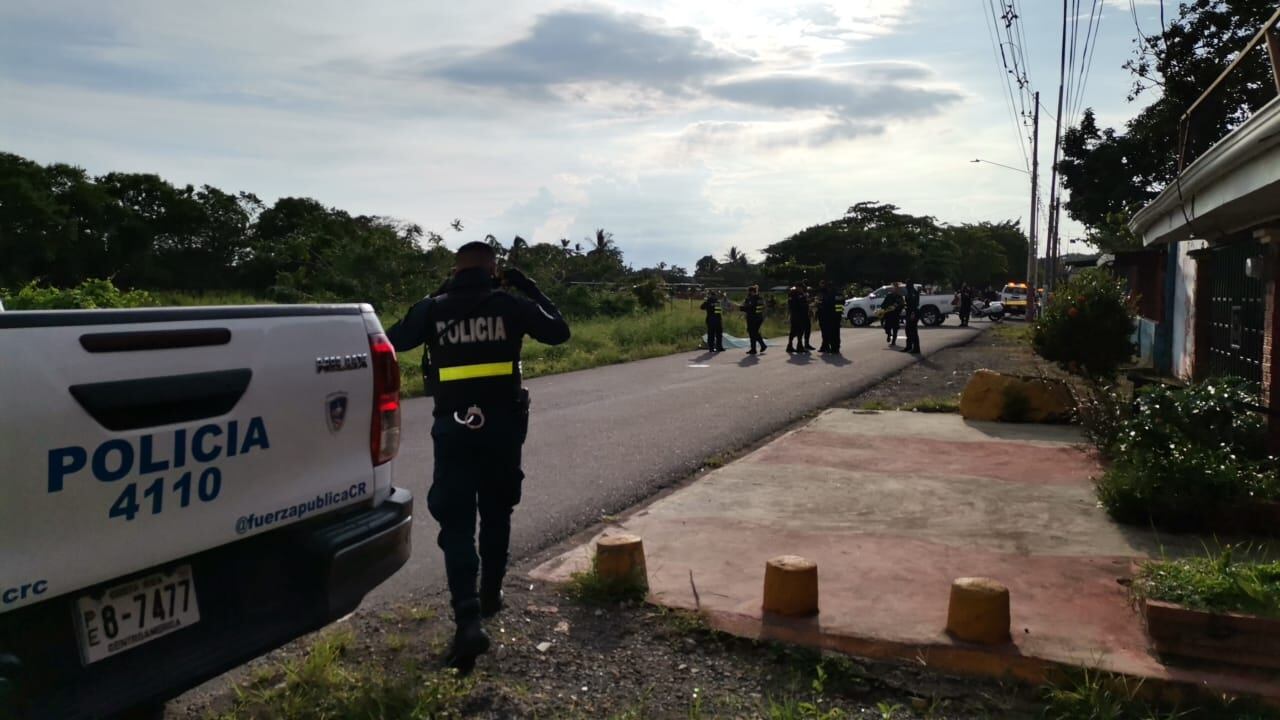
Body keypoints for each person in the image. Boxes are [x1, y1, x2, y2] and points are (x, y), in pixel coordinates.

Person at [386, 241, 570, 673]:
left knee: (455, 521)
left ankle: (468, 622)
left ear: (456, 269)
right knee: (497, 509)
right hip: (503, 429)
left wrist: (435, 295)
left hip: (454, 429)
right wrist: (532, 289)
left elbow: (394, 340)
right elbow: (559, 332)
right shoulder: (510, 304)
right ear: (494, 271)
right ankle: (491, 594)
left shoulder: (434, 307)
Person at [817, 280, 842, 354]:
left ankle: (835, 348)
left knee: (834, 333)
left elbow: (839, 304)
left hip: (834, 316)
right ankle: (828, 346)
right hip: (827, 316)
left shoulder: (836, 294)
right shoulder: (825, 293)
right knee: (828, 332)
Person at [741, 285, 768, 354]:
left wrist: (739, 308)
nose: (748, 293)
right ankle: (758, 347)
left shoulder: (752, 299)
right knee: (755, 333)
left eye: (749, 291)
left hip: (753, 318)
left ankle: (757, 347)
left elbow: (749, 308)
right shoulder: (760, 298)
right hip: (759, 318)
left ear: (751, 292)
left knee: (752, 333)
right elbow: (764, 307)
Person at [786, 286, 809, 353]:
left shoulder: (791, 296)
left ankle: (789, 346)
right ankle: (799, 347)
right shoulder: (800, 296)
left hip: (793, 315)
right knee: (800, 331)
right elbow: (803, 305)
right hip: (800, 316)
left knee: (793, 331)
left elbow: (790, 305)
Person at [903, 279, 921, 355]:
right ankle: (909, 346)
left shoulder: (913, 292)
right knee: (908, 330)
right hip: (909, 312)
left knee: (913, 331)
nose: (906, 286)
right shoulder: (909, 291)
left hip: (913, 313)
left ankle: (916, 348)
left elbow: (914, 304)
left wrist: (913, 313)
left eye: (907, 284)